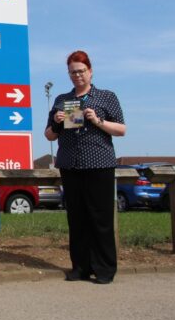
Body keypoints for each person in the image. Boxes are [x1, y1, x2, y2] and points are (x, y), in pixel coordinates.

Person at [45, 50, 126, 285]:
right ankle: (80, 268)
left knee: (100, 218)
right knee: (77, 219)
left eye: (81, 71)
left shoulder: (106, 97)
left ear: (90, 71)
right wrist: (57, 122)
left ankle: (104, 269)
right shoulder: (62, 99)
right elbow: (49, 135)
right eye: (73, 72)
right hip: (70, 164)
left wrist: (97, 120)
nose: (77, 75)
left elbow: (121, 130)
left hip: (99, 163)